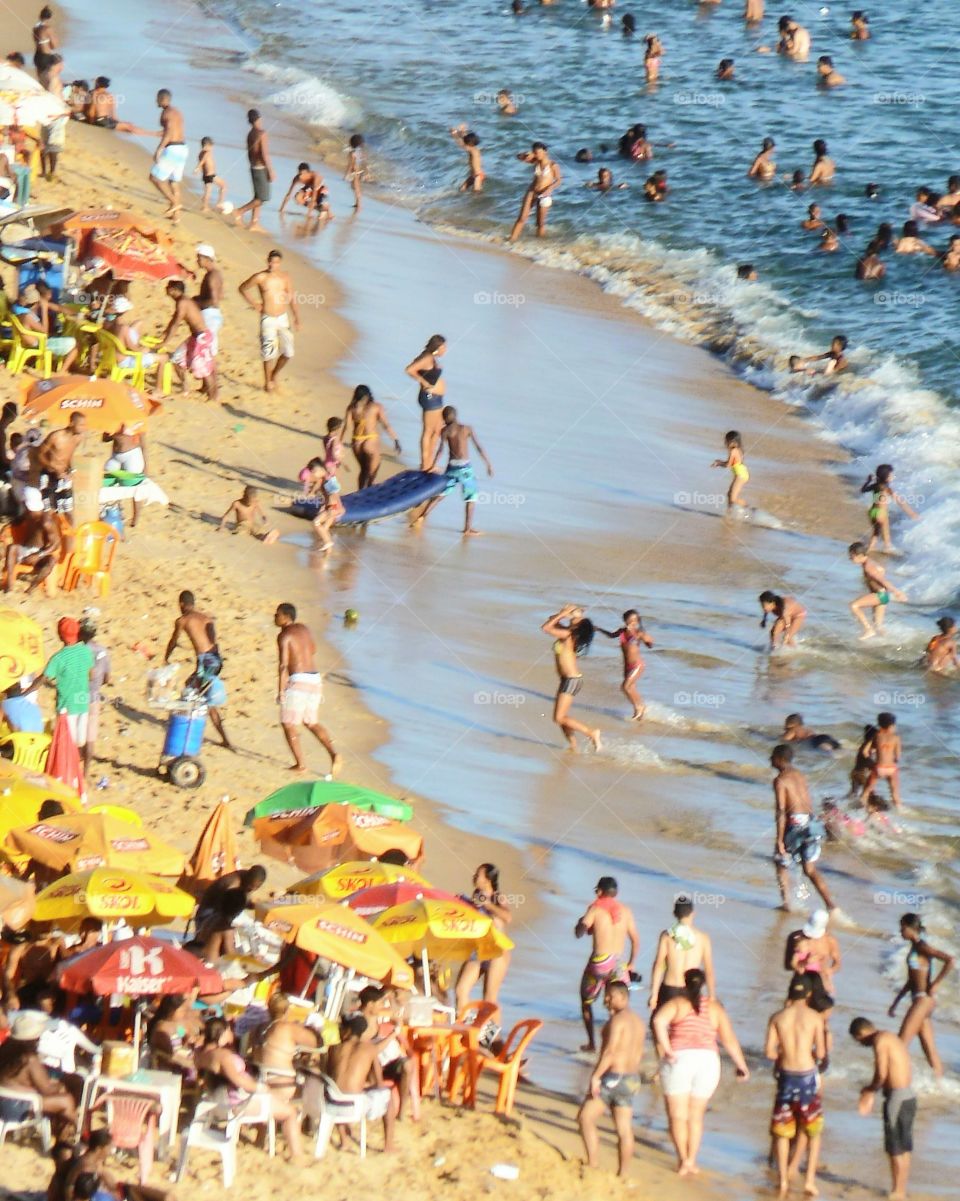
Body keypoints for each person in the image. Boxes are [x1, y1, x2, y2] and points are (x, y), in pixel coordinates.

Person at [654, 969, 749, 1176]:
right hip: (708, 1061)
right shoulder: (715, 1008)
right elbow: (729, 1039)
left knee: (677, 1116)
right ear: (704, 984)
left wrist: (667, 1049)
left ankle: (682, 1160)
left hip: (680, 1059)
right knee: (696, 1116)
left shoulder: (677, 1004)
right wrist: (741, 1065)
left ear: (684, 983)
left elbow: (658, 1022)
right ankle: (692, 1160)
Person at [196, 1017, 305, 1163]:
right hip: (235, 1104)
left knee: (275, 1101)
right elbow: (238, 1081)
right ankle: (297, 1155)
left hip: (215, 1101)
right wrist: (262, 1088)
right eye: (229, 1030)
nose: (232, 1033)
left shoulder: (201, 1054)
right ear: (221, 1034)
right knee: (290, 1112)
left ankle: (261, 1138)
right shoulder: (224, 1056)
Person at [765, 976, 827, 1198]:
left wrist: (784, 1053)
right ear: (809, 995)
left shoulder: (777, 1017)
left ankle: (782, 1180)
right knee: (813, 1130)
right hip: (807, 1077)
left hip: (787, 1077)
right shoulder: (815, 1017)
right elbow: (820, 1053)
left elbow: (769, 1052)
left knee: (783, 1130)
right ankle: (809, 1180)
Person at [578, 981, 645, 1177]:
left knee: (585, 1117)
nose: (606, 1000)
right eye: (606, 995)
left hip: (613, 1077)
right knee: (624, 1129)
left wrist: (596, 1077)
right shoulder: (639, 1022)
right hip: (632, 1078)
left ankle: (593, 1164)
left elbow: (609, 1052)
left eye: (611, 996)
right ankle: (623, 1174)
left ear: (624, 997)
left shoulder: (618, 1021)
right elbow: (639, 1054)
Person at [850, 1018, 915, 1201]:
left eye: (860, 1041)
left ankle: (897, 1191)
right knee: (905, 1146)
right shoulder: (891, 1037)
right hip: (909, 1096)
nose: (863, 1044)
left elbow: (881, 1073)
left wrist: (869, 1091)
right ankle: (901, 1188)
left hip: (897, 1097)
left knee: (894, 1147)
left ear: (861, 1034)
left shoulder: (879, 1041)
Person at [274, 602, 341, 776]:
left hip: (298, 681)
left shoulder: (284, 636)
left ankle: (301, 764)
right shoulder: (304, 629)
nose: (275, 617)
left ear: (286, 617)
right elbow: (313, 649)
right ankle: (334, 754)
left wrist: (281, 691)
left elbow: (283, 665)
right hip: (315, 679)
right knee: (311, 722)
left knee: (288, 723)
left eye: (277, 614)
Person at [575, 877, 639, 1052]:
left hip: (600, 963)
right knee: (618, 1007)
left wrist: (581, 922)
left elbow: (579, 933)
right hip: (619, 964)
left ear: (599, 892)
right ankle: (618, 1045)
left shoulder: (595, 908)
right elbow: (635, 940)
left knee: (586, 1002)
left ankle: (592, 1044)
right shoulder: (626, 911)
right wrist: (631, 964)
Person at [162, 589, 231, 750]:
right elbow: (211, 642)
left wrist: (166, 657)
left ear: (181, 604)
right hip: (215, 660)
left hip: (205, 663)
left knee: (201, 698)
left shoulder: (182, 620)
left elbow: (173, 640)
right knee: (192, 688)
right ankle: (188, 723)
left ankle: (220, 737)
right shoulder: (207, 618)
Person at [771, 744, 836, 912]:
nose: (770, 760)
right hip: (811, 822)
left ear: (779, 759)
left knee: (780, 860)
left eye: (772, 757)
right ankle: (831, 905)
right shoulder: (800, 775)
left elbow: (781, 811)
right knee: (810, 869)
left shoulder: (780, 780)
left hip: (795, 822)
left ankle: (786, 903)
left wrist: (779, 840)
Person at [888, 913, 953, 1077]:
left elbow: (950, 960)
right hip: (921, 1000)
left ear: (911, 929)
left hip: (923, 1000)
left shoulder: (922, 947)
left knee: (900, 1044)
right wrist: (896, 1002)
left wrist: (936, 983)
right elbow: (911, 981)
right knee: (929, 1049)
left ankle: (894, 1079)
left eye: (902, 928)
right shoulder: (914, 947)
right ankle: (939, 1086)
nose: (900, 931)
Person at [415, 405, 493, 536]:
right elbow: (478, 447)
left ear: (444, 419)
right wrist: (488, 464)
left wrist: (433, 465)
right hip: (465, 468)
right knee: (471, 498)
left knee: (441, 494)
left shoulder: (445, 431)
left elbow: (440, 450)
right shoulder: (466, 429)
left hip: (451, 466)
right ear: (456, 416)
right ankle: (467, 529)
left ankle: (421, 517)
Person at [0, 1012, 77, 1140]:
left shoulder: (5, 1050)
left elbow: (15, 1080)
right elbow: (46, 1089)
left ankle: (64, 1134)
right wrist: (59, 1086)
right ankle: (80, 1135)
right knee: (66, 1100)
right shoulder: (30, 1059)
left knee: (63, 1098)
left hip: (3, 1102)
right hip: (16, 1109)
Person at [326, 1013, 395, 1150]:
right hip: (354, 1107)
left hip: (331, 1105)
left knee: (338, 1090)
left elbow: (330, 1076)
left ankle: (344, 1140)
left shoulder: (334, 1048)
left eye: (341, 1027)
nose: (339, 1030)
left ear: (348, 1030)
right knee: (388, 1097)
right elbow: (379, 1083)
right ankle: (389, 1146)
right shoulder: (369, 1048)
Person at [31, 616, 94, 760]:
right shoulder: (86, 651)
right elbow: (91, 675)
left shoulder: (58, 658)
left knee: (66, 746)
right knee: (79, 743)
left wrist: (26, 692)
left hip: (66, 707)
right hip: (83, 704)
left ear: (60, 635)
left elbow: (43, 678)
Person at [542, 605, 602, 753]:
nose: (574, 617)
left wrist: (563, 613)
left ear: (579, 625)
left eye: (578, 618)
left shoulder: (568, 635)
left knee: (559, 718)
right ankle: (573, 745)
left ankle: (591, 732)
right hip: (566, 680)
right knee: (561, 717)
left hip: (571, 680)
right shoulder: (567, 633)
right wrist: (563, 614)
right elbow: (551, 621)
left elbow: (546, 628)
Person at [239, 250, 299, 393]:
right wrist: (254, 304)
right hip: (268, 318)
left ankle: (274, 374)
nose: (273, 264)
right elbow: (242, 288)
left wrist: (297, 316)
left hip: (283, 317)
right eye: (271, 261)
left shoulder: (285, 277)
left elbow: (291, 297)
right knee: (269, 352)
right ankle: (267, 383)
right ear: (267, 261)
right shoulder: (261, 277)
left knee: (288, 352)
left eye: (276, 262)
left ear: (280, 263)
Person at [455, 864, 512, 1010]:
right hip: (478, 951)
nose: (474, 876)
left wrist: (487, 904)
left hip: (497, 951)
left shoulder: (497, 897)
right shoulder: (475, 896)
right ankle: (463, 1027)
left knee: (489, 998)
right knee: (461, 990)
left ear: (487, 879)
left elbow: (507, 917)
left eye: (478, 874)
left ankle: (495, 1032)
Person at [648, 895, 716, 1015]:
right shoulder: (703, 938)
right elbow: (709, 970)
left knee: (660, 1025)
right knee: (686, 1028)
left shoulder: (667, 936)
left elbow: (658, 965)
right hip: (691, 990)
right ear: (693, 913)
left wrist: (653, 994)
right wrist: (711, 996)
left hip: (670, 988)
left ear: (675, 913)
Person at [157, 280, 218, 402]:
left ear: (174, 290)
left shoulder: (183, 302)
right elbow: (173, 320)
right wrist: (164, 333)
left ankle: (213, 396)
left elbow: (175, 324)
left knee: (202, 367)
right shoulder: (181, 301)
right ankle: (186, 387)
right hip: (195, 337)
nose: (166, 290)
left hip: (202, 337)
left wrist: (165, 342)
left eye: (168, 288)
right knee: (177, 359)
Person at [194, 865, 267, 960]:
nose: (252, 889)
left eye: (255, 888)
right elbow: (231, 955)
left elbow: (235, 901)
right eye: (250, 887)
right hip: (208, 912)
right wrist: (249, 959)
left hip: (213, 919)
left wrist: (254, 905)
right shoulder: (233, 884)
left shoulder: (246, 880)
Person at [254, 992, 319, 1098]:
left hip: (259, 1078)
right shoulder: (289, 1028)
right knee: (314, 1065)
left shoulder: (260, 1028)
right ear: (288, 1010)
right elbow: (313, 1042)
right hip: (282, 1081)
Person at [596, 609, 654, 721]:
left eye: (634, 620)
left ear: (637, 621)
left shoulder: (638, 633)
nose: (632, 622)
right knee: (631, 687)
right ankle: (641, 708)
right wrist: (599, 629)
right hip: (627, 666)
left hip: (637, 665)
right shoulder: (622, 631)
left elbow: (650, 644)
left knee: (625, 687)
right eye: (629, 619)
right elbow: (611, 635)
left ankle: (639, 707)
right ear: (625, 620)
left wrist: (646, 640)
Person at [344, 385, 400, 489]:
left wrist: (339, 442)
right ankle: (369, 493)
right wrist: (395, 440)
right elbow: (385, 425)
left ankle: (360, 493)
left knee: (363, 470)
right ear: (368, 395)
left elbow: (347, 427)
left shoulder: (351, 408)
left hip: (356, 442)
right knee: (372, 473)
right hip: (371, 440)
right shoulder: (376, 407)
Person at [848, 541, 907, 639]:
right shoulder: (869, 563)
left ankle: (868, 629)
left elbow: (883, 580)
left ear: (859, 555)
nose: (850, 559)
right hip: (883, 596)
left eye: (851, 556)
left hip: (880, 595)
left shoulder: (868, 567)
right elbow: (881, 571)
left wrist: (897, 592)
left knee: (854, 606)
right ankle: (890, 640)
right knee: (878, 627)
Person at [405, 334, 447, 470]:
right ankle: (425, 464)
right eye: (443, 347)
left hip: (436, 398)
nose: (445, 349)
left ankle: (430, 463)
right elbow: (409, 369)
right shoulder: (427, 357)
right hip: (430, 398)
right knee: (429, 430)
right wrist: (424, 382)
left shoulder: (431, 357)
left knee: (437, 430)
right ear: (437, 347)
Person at [508, 142, 561, 242]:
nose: (537, 155)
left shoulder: (553, 165)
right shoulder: (535, 161)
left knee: (540, 223)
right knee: (522, 218)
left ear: (545, 152)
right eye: (535, 153)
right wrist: (526, 154)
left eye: (538, 153)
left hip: (544, 194)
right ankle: (512, 239)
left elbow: (558, 180)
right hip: (532, 191)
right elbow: (518, 157)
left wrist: (549, 189)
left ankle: (539, 244)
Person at [78, 612, 110, 776]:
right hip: (94, 697)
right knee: (90, 737)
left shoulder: (78, 650)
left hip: (78, 697)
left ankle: (75, 767)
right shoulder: (102, 651)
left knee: (76, 734)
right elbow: (107, 678)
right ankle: (86, 771)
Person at [861, 464, 919, 552]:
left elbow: (863, 490)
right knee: (886, 532)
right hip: (881, 513)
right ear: (886, 477)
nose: (893, 476)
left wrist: (868, 481)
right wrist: (911, 513)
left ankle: (871, 547)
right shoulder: (887, 488)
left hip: (872, 512)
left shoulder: (875, 486)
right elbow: (899, 501)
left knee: (876, 532)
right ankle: (888, 548)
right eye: (891, 475)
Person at [148, 90, 187, 223]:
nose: (156, 101)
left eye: (157, 99)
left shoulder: (166, 113)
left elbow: (169, 131)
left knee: (154, 178)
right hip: (183, 148)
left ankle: (174, 202)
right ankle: (176, 216)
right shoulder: (177, 112)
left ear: (161, 99)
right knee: (174, 183)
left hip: (173, 149)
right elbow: (174, 129)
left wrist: (159, 149)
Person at [234, 110, 274, 231]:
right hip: (260, 167)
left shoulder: (250, 134)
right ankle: (239, 211)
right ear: (259, 119)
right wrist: (270, 170)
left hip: (253, 166)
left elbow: (250, 153)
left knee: (257, 196)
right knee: (262, 198)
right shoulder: (262, 133)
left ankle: (254, 222)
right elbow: (264, 154)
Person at [3, 510, 58, 595]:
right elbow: (15, 522)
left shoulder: (47, 522)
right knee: (12, 548)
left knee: (51, 560)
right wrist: (5, 528)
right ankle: (9, 586)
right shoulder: (27, 514)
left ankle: (32, 587)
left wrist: (39, 554)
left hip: (40, 554)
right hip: (24, 550)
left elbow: (56, 544)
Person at [195, 244, 223, 354]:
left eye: (199, 258)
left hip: (209, 315)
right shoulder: (214, 274)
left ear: (206, 259)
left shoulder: (212, 276)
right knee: (207, 349)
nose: (197, 261)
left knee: (206, 350)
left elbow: (214, 300)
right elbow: (220, 295)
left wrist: (199, 303)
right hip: (211, 314)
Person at [711, 429, 748, 510]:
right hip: (741, 474)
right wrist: (720, 462)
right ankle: (729, 512)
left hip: (740, 475)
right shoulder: (737, 449)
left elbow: (728, 465)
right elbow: (731, 463)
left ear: (732, 441)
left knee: (733, 498)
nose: (725, 443)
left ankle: (747, 508)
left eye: (726, 441)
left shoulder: (733, 451)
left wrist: (718, 463)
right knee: (729, 495)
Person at [312, 477, 344, 553]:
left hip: (333, 508)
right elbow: (328, 500)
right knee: (325, 528)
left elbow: (336, 496)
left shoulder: (327, 484)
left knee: (316, 522)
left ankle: (327, 542)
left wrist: (340, 509)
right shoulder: (324, 485)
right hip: (332, 508)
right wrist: (323, 508)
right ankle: (328, 552)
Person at [194, 137, 227, 211]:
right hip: (211, 175)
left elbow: (202, 163)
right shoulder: (207, 152)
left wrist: (200, 170)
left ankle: (205, 207)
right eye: (211, 146)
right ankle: (219, 203)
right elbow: (202, 161)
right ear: (207, 145)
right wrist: (197, 168)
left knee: (208, 191)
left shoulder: (200, 153)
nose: (212, 148)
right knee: (224, 186)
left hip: (205, 175)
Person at [450, 125, 484, 192]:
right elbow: (465, 139)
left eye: (467, 142)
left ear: (470, 143)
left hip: (478, 176)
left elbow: (461, 143)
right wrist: (462, 132)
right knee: (462, 190)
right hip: (473, 175)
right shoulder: (473, 148)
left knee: (476, 193)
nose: (465, 143)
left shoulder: (472, 150)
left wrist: (454, 134)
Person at [344, 133, 366, 211]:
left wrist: (347, 174)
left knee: (355, 188)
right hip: (360, 171)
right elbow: (363, 162)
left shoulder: (352, 153)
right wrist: (366, 172)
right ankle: (357, 203)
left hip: (355, 172)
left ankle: (359, 204)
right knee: (356, 187)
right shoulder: (360, 152)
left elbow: (350, 164)